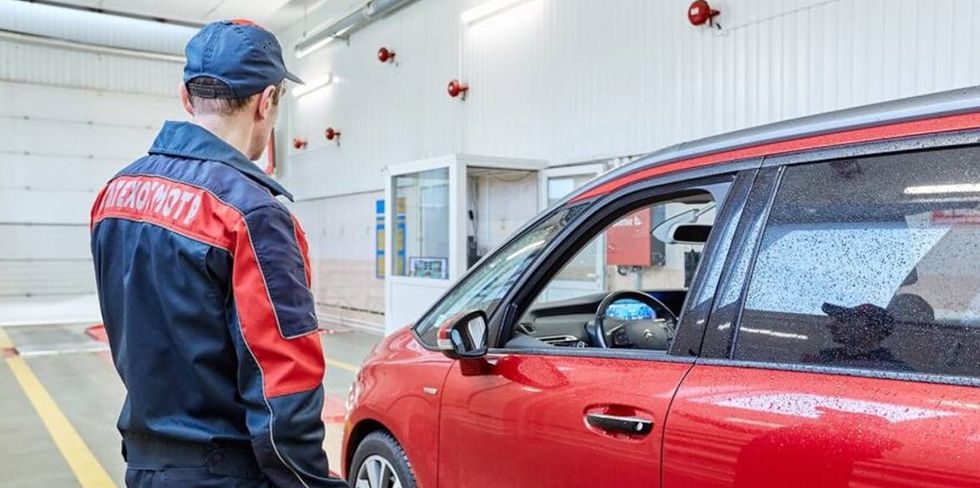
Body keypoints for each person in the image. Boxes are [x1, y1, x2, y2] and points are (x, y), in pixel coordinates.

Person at [90, 20, 348, 487]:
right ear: (267, 102)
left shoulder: (114, 196)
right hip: (227, 473)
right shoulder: (251, 214)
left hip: (145, 468)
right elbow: (283, 386)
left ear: (186, 98)